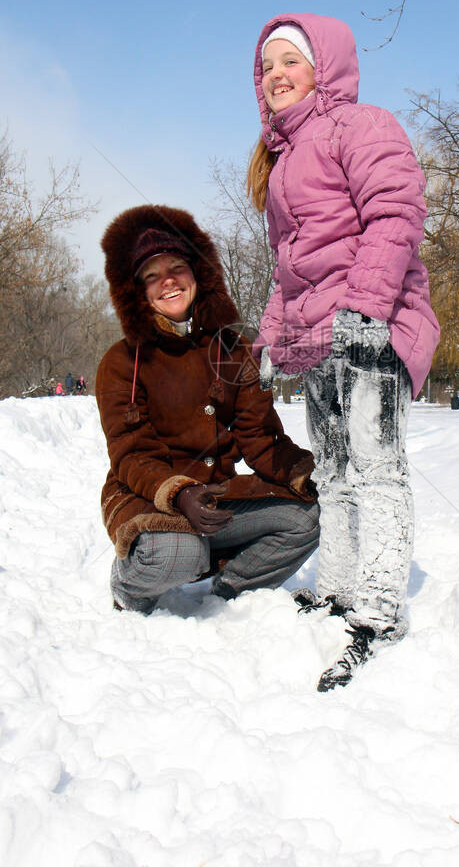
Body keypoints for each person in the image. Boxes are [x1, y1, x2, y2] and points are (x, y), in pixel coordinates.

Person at [248, 14, 440, 690]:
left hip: (374, 327)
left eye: (289, 62)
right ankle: (337, 588)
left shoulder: (362, 125)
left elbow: (396, 212)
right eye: (266, 65)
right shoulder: (280, 163)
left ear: (322, 68)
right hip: (319, 340)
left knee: (374, 465)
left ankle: (379, 610)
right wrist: (274, 340)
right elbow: (288, 265)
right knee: (333, 469)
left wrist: (365, 308)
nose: (276, 75)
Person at [95, 204, 320, 616]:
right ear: (138, 291)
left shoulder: (232, 350)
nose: (167, 281)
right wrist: (180, 494)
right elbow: (131, 453)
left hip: (216, 500)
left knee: (305, 519)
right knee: (179, 551)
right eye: (151, 275)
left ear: (197, 274)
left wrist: (301, 471)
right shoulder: (121, 362)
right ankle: (130, 588)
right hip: (149, 497)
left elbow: (259, 437)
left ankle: (227, 595)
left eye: (177, 267)